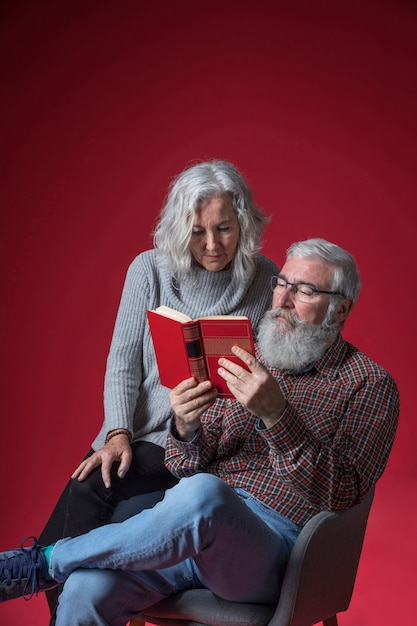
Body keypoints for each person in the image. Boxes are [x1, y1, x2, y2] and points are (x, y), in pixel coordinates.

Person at [0, 238, 399, 626]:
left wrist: (278, 416)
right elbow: (183, 466)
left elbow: (343, 493)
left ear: (340, 307)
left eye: (305, 290)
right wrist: (186, 427)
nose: (282, 300)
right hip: (188, 532)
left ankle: (45, 562)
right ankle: (58, 567)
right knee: (87, 588)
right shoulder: (249, 358)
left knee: (205, 493)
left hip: (279, 553)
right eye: (281, 284)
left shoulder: (368, 384)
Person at [36, 159, 279, 621]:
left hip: (213, 445)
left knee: (87, 501)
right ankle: (65, 612)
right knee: (85, 489)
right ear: (178, 227)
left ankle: (62, 609)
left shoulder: (267, 278)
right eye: (197, 231)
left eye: (225, 229)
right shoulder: (148, 268)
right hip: (140, 436)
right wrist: (117, 434)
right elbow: (122, 361)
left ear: (243, 223)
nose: (212, 244)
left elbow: (273, 375)